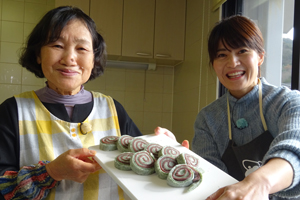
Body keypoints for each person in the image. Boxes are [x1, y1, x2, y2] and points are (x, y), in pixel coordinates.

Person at [0, 6, 142, 200]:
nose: (69, 59)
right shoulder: (13, 111)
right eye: (57, 45)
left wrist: (163, 148)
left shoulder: (113, 109)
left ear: (94, 58)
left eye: (82, 48)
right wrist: (51, 172)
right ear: (38, 55)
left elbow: (141, 168)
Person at [156, 15, 300, 200]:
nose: (232, 63)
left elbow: (294, 148)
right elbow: (210, 181)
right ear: (213, 64)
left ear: (260, 57)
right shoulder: (207, 119)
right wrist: (180, 158)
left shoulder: (288, 102)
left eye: (242, 51)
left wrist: (259, 183)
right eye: (222, 55)